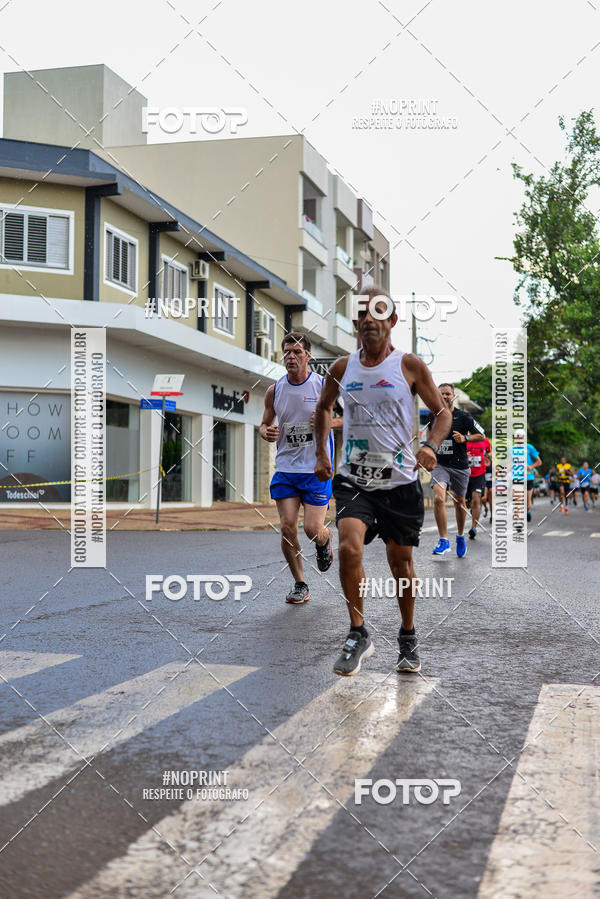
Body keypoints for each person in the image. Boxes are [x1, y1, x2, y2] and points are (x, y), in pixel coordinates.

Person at [313, 288, 451, 676]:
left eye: (378, 313)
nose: (369, 320)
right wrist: (322, 454)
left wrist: (431, 445)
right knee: (348, 546)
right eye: (362, 314)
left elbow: (442, 414)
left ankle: (407, 635)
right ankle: (358, 632)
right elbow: (323, 408)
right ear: (355, 322)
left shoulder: (409, 366)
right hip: (354, 479)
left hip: (400, 482)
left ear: (392, 321)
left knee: (400, 563)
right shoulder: (342, 368)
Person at [260, 331, 341, 604]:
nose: (291, 356)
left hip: (316, 469)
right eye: (287, 352)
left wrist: (327, 421)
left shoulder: (323, 385)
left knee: (312, 529)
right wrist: (266, 432)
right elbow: (264, 423)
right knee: (287, 528)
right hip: (286, 469)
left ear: (308, 356)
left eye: (296, 352)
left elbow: (348, 419)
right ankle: (300, 583)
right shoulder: (274, 390)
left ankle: (324, 539)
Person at [426, 385, 485, 557]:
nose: (444, 396)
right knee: (439, 498)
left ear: (453, 396)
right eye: (441, 394)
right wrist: (429, 451)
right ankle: (443, 540)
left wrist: (465, 438)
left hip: (460, 466)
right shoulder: (433, 415)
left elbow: (481, 435)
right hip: (440, 465)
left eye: (447, 393)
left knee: (460, 502)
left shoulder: (464, 417)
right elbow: (430, 435)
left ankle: (460, 536)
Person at [466, 432, 492, 538]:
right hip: (465, 474)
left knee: (476, 500)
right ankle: (473, 509)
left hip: (479, 475)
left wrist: (489, 456)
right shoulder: (464, 439)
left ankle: (474, 527)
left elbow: (489, 451)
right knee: (467, 504)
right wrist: (464, 455)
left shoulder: (485, 440)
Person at [525, 442, 541, 522]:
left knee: (527, 504)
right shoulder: (512, 449)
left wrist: (531, 467)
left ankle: (528, 510)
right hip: (517, 478)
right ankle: (518, 520)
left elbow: (539, 462)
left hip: (529, 478)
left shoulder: (529, 447)